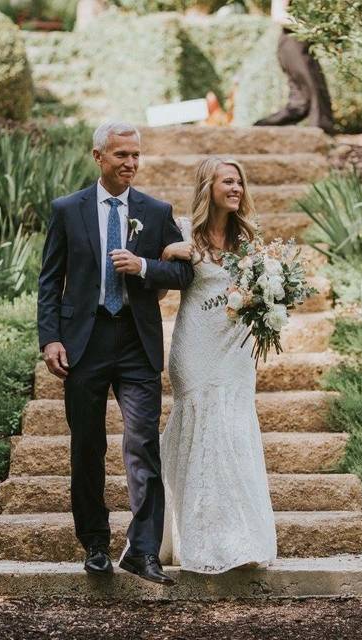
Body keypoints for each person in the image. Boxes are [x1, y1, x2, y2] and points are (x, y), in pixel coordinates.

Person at [37, 121, 194, 585]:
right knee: (87, 447)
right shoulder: (67, 210)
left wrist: (143, 266)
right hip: (83, 344)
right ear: (98, 156)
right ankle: (95, 545)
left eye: (135, 156)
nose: (130, 163)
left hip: (135, 341)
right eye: (121, 155)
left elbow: (182, 275)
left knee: (142, 445)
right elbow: (49, 281)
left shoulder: (156, 209)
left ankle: (143, 551)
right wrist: (51, 338)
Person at [157, 157, 278, 573]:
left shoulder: (249, 240)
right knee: (203, 431)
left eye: (240, 182)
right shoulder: (183, 233)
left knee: (232, 432)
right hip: (196, 349)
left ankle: (237, 539)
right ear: (208, 186)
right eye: (228, 181)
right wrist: (167, 253)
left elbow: (263, 292)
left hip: (237, 351)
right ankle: (196, 539)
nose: (237, 188)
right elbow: (157, 292)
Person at [253, 0, 335, 134]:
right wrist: (308, 28)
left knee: (300, 102)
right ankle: (322, 135)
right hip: (293, 43)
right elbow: (278, 15)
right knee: (315, 89)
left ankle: (261, 127)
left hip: (302, 44)